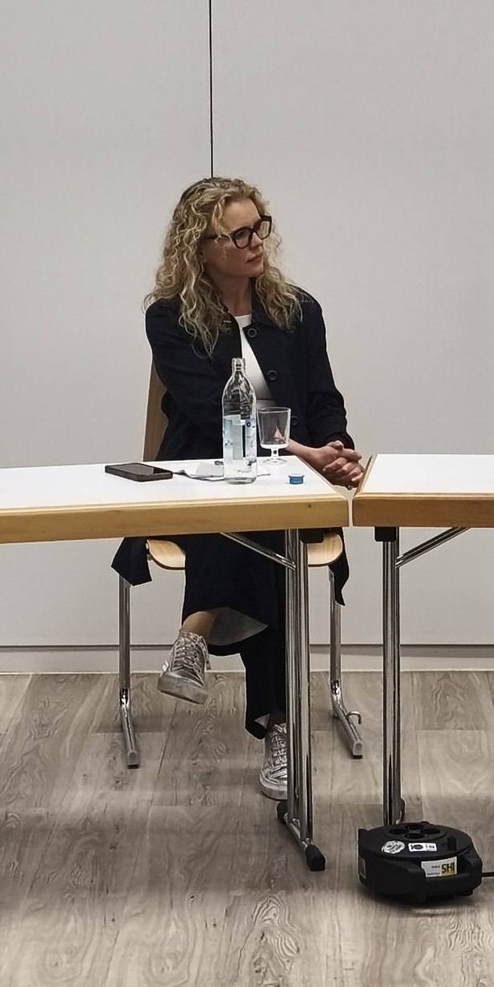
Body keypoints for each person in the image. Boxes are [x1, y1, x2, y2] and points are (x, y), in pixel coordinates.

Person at [115, 178, 363, 799]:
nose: (257, 243)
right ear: (200, 248)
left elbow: (323, 398)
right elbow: (207, 412)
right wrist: (298, 452)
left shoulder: (298, 310)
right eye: (240, 234)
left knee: (264, 518)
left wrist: (335, 450)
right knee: (259, 528)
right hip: (199, 479)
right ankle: (279, 728)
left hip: (290, 484)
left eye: (260, 227)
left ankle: (194, 634)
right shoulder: (169, 318)